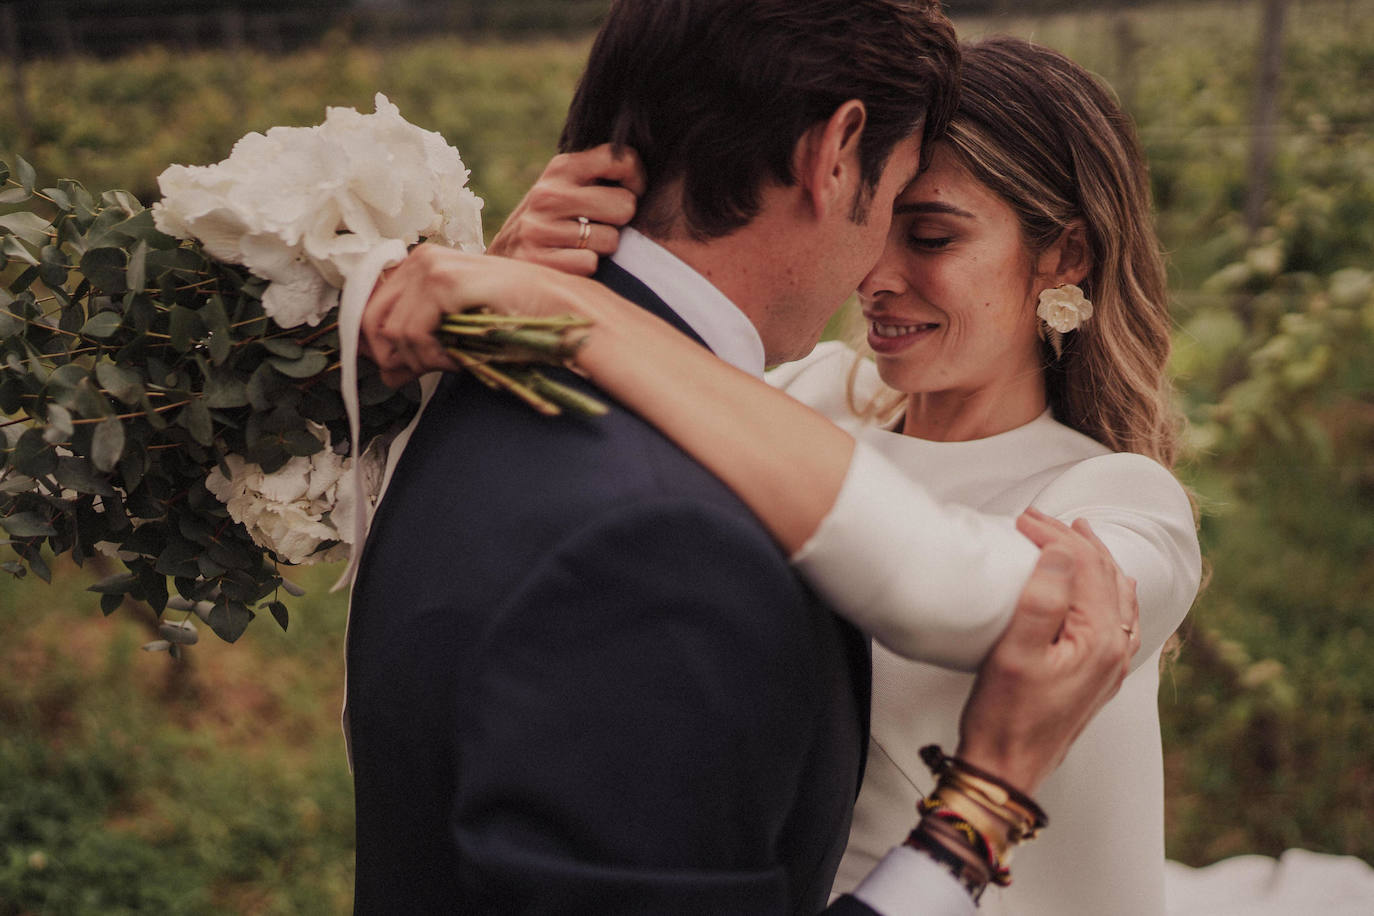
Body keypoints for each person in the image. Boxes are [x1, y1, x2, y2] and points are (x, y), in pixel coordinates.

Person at [361, 34, 1201, 916]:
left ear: (1064, 255)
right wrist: (511, 277)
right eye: (882, 224)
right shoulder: (806, 396)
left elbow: (943, 584)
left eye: (933, 236)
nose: (876, 275)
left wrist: (576, 310)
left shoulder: (1120, 507)